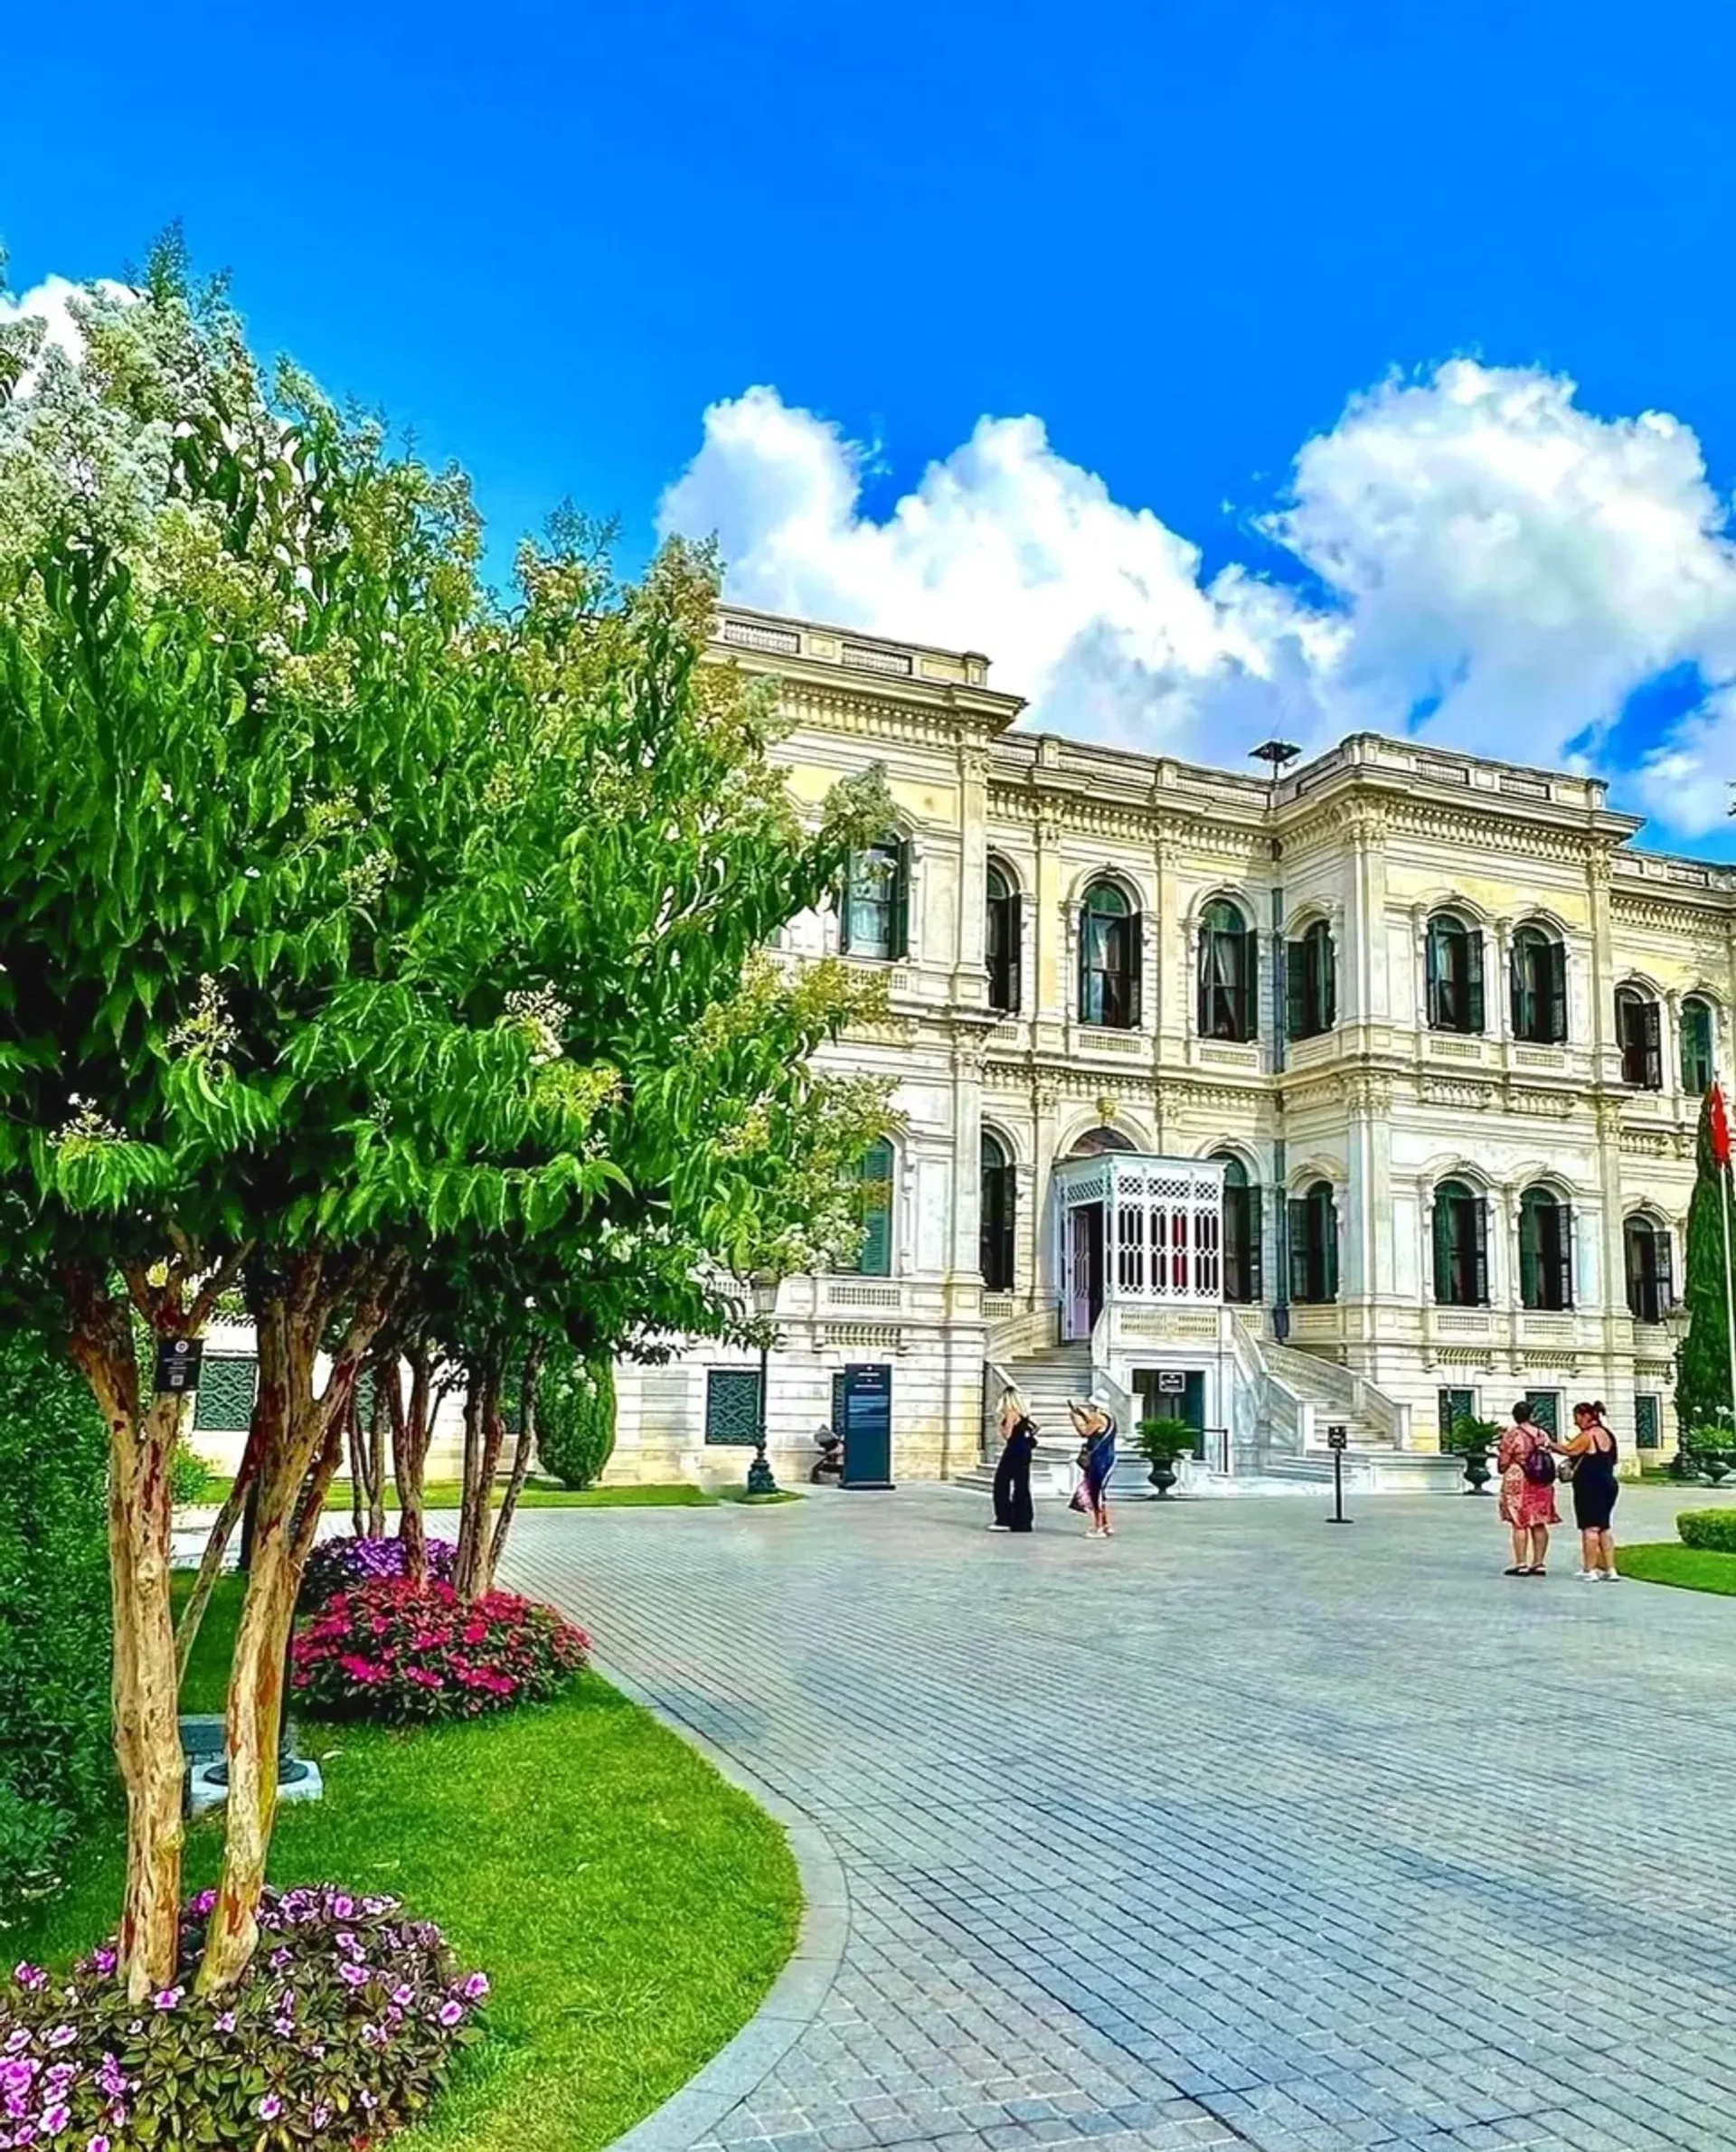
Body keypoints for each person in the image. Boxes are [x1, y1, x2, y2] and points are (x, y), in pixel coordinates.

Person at [1558, 1400, 1621, 1581]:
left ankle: (1590, 1569)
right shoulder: (1608, 1435)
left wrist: (1547, 1443)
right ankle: (1610, 1569)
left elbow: (1569, 1449)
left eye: (1577, 1417)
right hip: (1609, 1483)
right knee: (1604, 1527)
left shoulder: (1588, 1435)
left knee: (1590, 1528)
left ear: (1586, 1416)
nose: (1576, 1422)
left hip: (1591, 1485)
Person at [1496, 1400, 1559, 1575]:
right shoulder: (1542, 1434)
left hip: (1519, 1478)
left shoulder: (1512, 1435)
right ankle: (1539, 1562)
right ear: (1531, 1415)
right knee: (1539, 1522)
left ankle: (1521, 1563)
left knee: (1519, 1522)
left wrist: (1503, 1466)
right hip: (1540, 1480)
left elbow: (1504, 1461)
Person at [988, 1388, 1037, 1534]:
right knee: (1021, 1485)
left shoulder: (1010, 1413)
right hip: (1025, 1450)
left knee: (1001, 1483)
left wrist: (1000, 1426)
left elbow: (1007, 1435)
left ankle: (1004, 1518)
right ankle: (1023, 1521)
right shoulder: (1023, 1414)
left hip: (1013, 1450)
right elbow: (1036, 1427)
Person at [1069, 1395, 1118, 1539]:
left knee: (1094, 1492)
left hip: (1099, 1459)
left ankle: (1098, 1527)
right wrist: (1083, 1414)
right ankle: (1106, 1523)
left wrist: (1075, 1419)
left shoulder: (1097, 1418)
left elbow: (1084, 1432)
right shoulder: (1110, 1417)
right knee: (1100, 1492)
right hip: (1108, 1457)